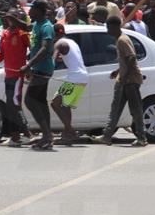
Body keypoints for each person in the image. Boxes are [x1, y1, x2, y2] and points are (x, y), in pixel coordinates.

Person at [91, 16, 147, 147]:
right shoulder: (119, 40)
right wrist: (118, 71)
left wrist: (125, 76)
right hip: (123, 79)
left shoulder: (123, 39)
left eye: (108, 27)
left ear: (114, 27)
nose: (107, 30)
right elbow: (125, 60)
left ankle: (141, 137)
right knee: (115, 109)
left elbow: (132, 57)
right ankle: (107, 136)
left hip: (130, 80)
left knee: (135, 109)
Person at [0, 10, 36, 146]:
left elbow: (32, 50)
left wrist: (28, 68)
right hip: (8, 74)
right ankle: (15, 136)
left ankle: (27, 132)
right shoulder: (5, 34)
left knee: (14, 104)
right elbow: (1, 53)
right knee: (10, 105)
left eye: (15, 17)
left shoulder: (22, 33)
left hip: (18, 75)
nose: (11, 19)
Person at [21, 0, 56, 149]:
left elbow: (45, 49)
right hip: (38, 68)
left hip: (43, 68)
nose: (29, 10)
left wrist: (28, 65)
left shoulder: (47, 27)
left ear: (40, 10)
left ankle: (47, 134)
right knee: (41, 102)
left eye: (32, 8)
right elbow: (25, 26)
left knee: (29, 100)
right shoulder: (36, 24)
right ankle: (47, 136)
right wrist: (11, 17)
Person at [50, 23, 87, 146]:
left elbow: (52, 60)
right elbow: (69, 57)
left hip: (74, 77)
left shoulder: (59, 43)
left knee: (55, 104)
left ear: (54, 34)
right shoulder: (71, 42)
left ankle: (70, 130)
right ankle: (67, 135)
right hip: (82, 76)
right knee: (65, 106)